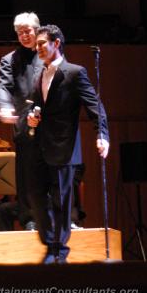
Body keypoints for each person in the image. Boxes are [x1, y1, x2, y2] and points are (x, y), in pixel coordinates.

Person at [26, 24, 110, 264]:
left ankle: (58, 251)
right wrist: (31, 115)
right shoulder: (37, 73)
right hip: (40, 146)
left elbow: (95, 106)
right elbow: (35, 106)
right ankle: (50, 242)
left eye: (42, 43)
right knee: (35, 195)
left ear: (56, 43)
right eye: (38, 44)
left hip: (64, 146)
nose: (38, 47)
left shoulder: (74, 72)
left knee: (61, 201)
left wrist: (102, 134)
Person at [0, 12, 42, 230]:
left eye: (28, 31)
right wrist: (4, 106)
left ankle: (63, 218)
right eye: (20, 32)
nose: (24, 36)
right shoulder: (10, 60)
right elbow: (4, 86)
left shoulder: (49, 54)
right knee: (27, 176)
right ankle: (30, 219)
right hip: (24, 125)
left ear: (37, 30)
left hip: (50, 124)